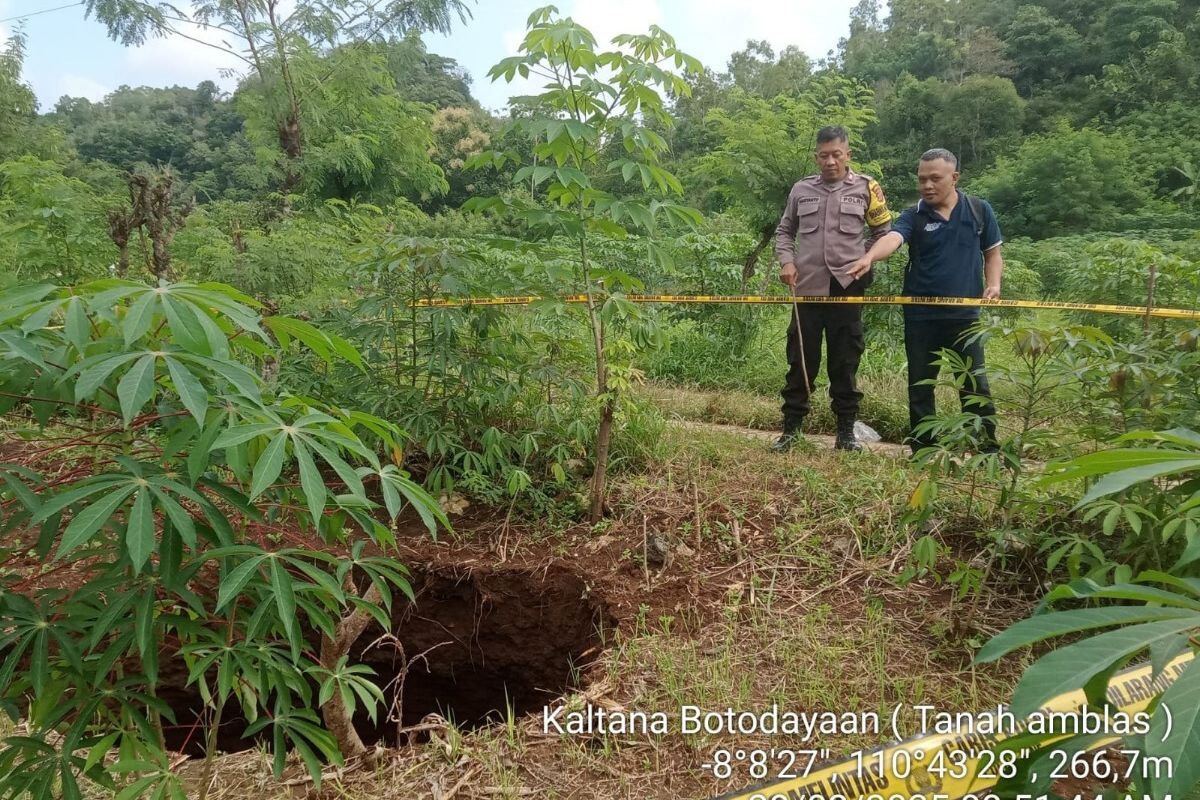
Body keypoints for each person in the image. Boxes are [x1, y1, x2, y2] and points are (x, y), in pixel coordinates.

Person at [846, 147, 1004, 454]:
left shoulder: (978, 210)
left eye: (935, 179)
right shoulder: (913, 215)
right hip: (921, 316)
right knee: (921, 385)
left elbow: (993, 254)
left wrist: (994, 284)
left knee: (975, 385)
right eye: (922, 179)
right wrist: (869, 257)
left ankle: (986, 450)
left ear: (954, 177)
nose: (927, 186)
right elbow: (893, 238)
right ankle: (923, 449)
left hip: (964, 317)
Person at [771, 126, 893, 452]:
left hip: (847, 287)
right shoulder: (801, 190)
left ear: (848, 155)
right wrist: (787, 262)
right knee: (800, 362)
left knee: (845, 361)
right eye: (823, 155)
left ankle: (846, 434)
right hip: (807, 288)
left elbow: (884, 232)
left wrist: (866, 257)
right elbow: (785, 232)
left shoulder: (868, 188)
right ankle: (791, 431)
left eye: (836, 154)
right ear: (816, 157)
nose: (830, 161)